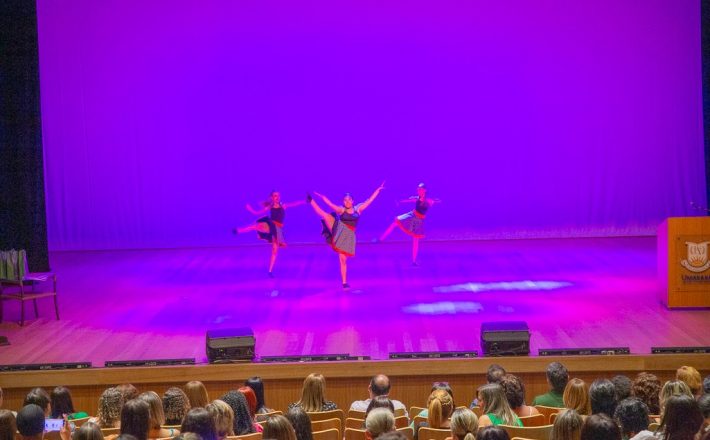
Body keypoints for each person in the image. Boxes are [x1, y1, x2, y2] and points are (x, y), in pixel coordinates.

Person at [307, 182, 385, 288]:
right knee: (324, 215)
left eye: (349, 199)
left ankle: (344, 282)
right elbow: (330, 204)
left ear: (353, 201)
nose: (347, 201)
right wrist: (322, 197)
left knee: (344, 260)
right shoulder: (341, 210)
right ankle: (311, 200)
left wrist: (377, 190)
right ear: (343, 202)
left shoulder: (358, 209)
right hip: (339, 231)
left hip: (349, 237)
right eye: (345, 200)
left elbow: (370, 200)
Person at [233, 191, 305, 277]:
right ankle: (239, 231)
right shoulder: (269, 207)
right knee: (255, 226)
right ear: (272, 197)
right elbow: (257, 213)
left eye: (278, 195)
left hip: (278, 229)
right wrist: (250, 209)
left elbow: (294, 204)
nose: (277, 197)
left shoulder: (283, 205)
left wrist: (304, 201)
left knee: (274, 251)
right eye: (275, 195)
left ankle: (270, 271)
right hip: (270, 225)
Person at [378, 183, 439, 265]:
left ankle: (414, 261)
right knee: (395, 222)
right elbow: (409, 200)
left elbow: (435, 202)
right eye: (418, 189)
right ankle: (381, 239)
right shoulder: (417, 198)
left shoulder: (429, 200)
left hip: (419, 220)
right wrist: (400, 201)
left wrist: (434, 201)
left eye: (420, 189)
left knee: (415, 240)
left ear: (425, 190)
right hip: (411, 215)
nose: (418, 191)